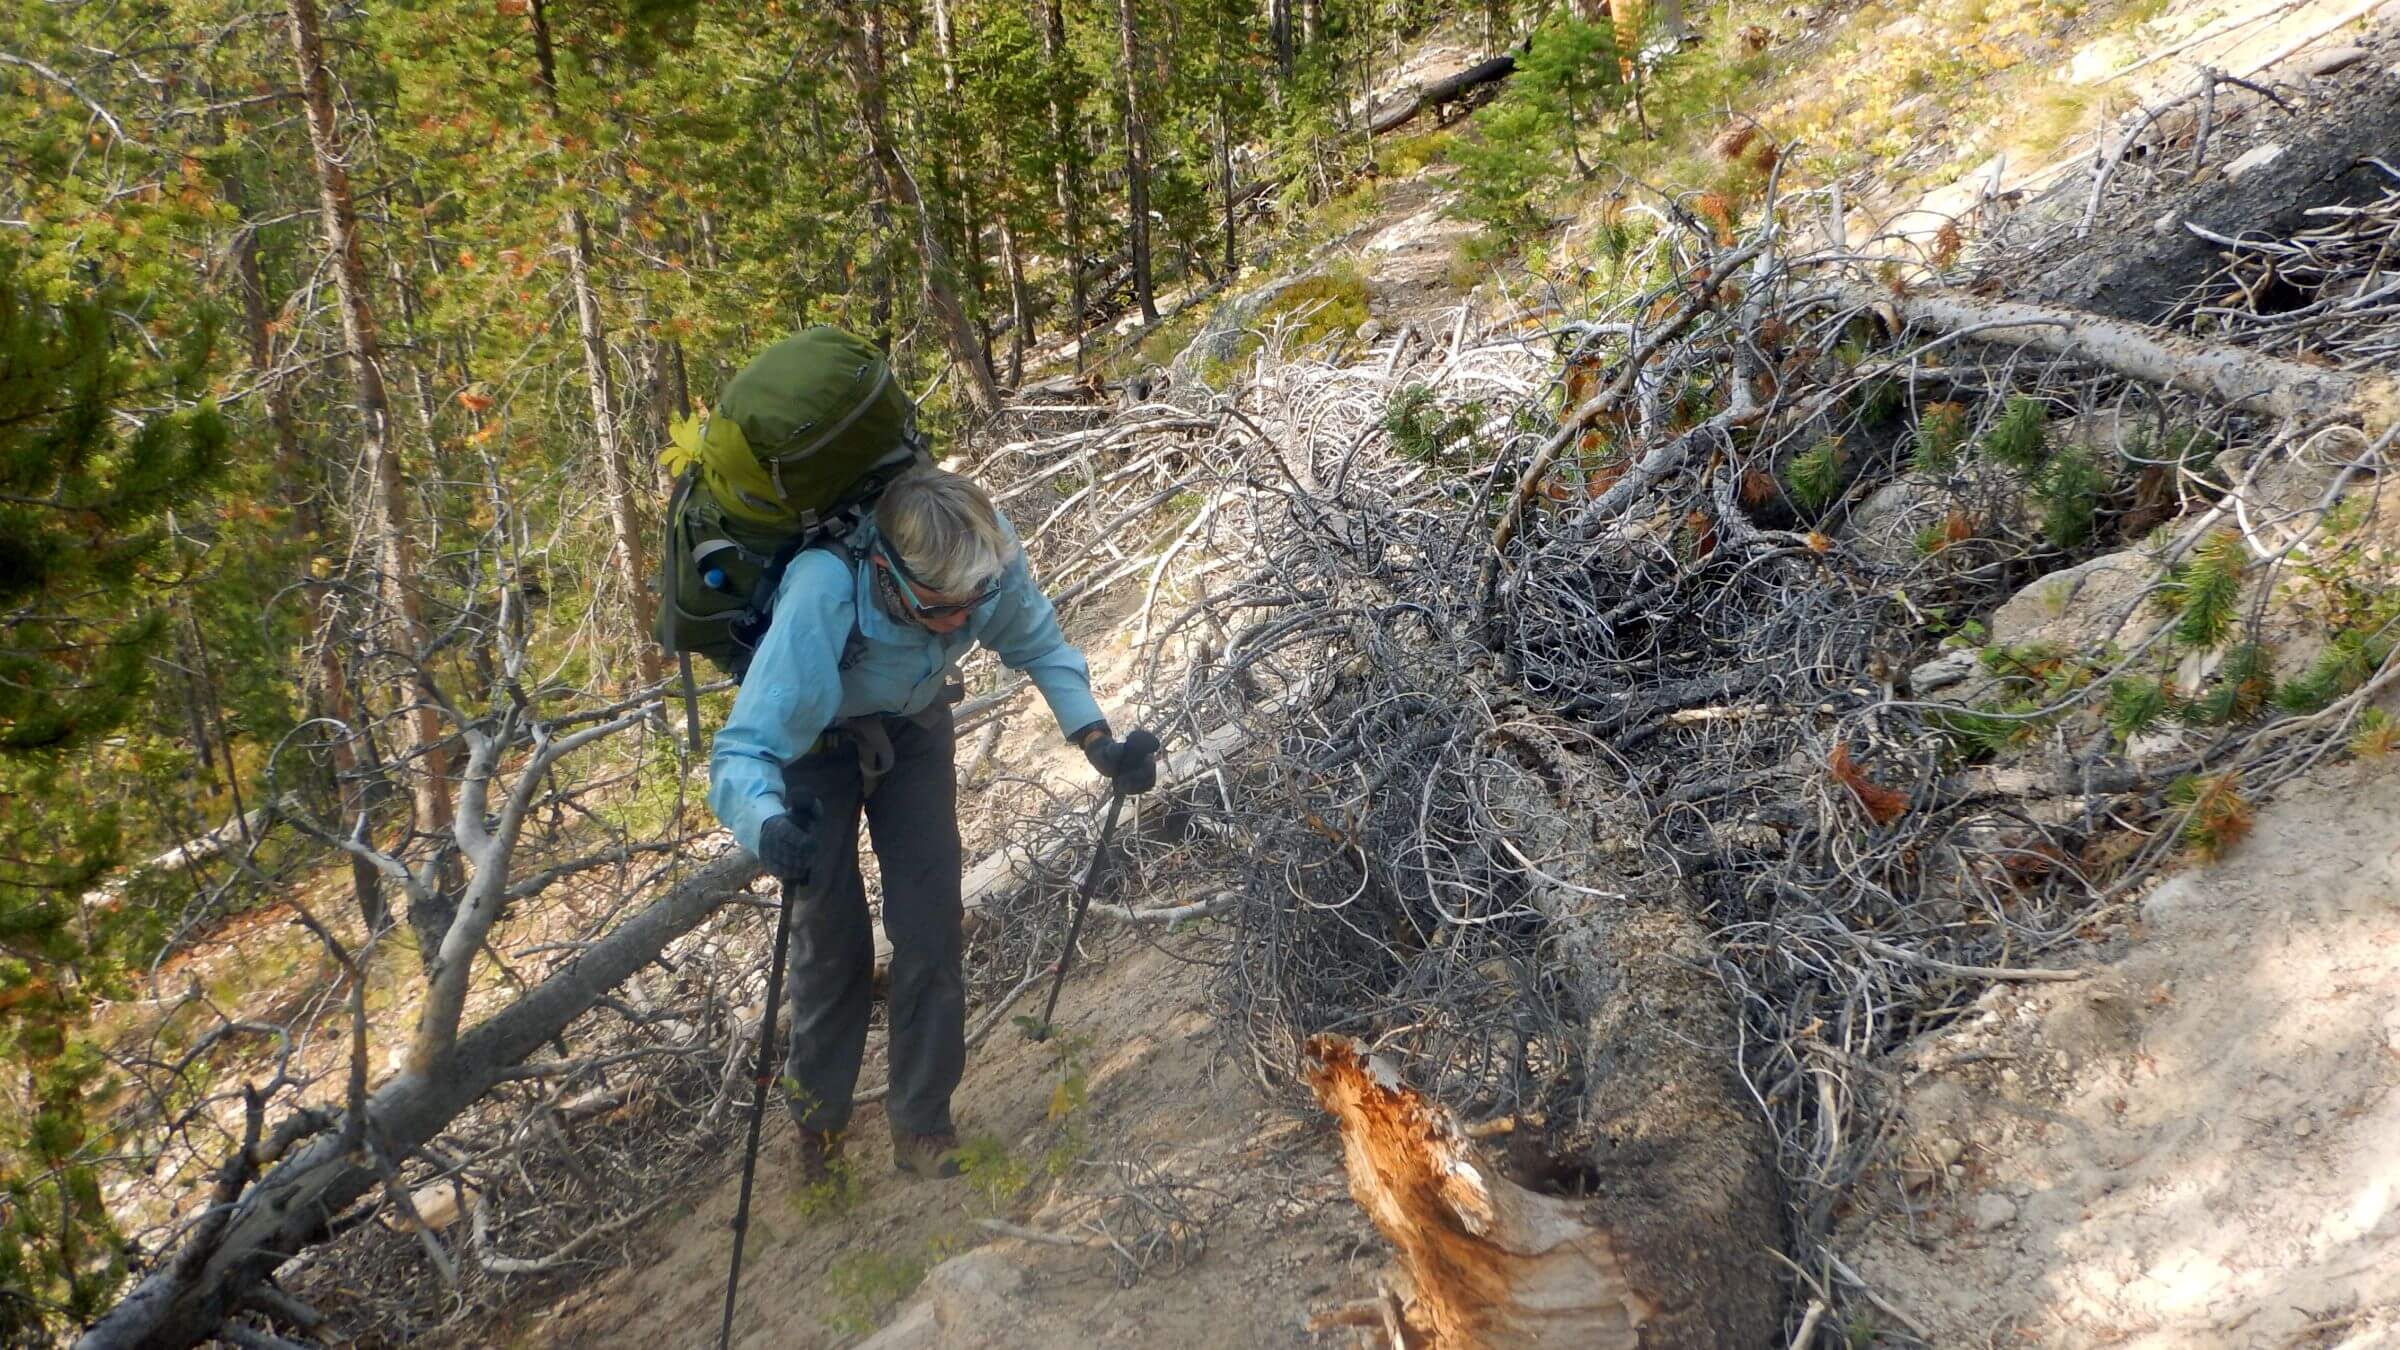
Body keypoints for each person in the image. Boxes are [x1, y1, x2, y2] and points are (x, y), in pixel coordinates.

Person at [708, 462, 1157, 1184]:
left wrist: (1097, 741)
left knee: (930, 921)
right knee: (831, 945)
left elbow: (1038, 644)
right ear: (887, 569)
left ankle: (922, 1121)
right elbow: (744, 748)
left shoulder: (983, 558)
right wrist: (765, 825)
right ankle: (817, 1129)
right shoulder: (823, 591)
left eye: (972, 601)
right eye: (944, 607)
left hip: (914, 726)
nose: (964, 618)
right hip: (811, 750)